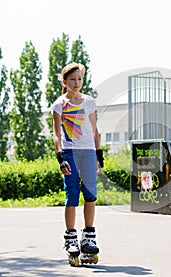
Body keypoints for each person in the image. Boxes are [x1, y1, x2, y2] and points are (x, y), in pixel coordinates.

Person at [51, 62, 104, 264]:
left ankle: (88, 238)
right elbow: (56, 134)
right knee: (72, 194)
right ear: (65, 81)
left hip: (88, 151)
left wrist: (99, 154)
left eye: (80, 79)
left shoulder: (89, 102)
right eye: (72, 79)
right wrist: (60, 156)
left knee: (90, 194)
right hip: (70, 152)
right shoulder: (59, 104)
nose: (77, 83)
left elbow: (94, 129)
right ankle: (71, 238)